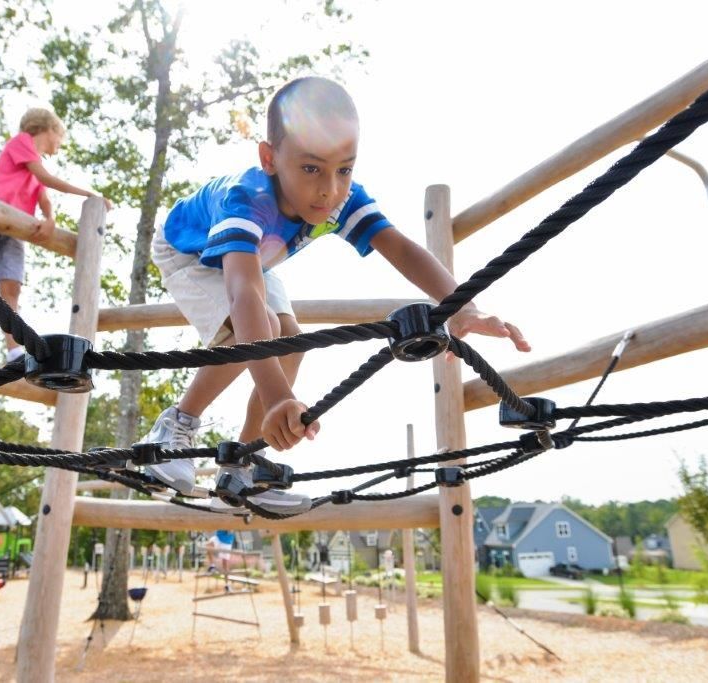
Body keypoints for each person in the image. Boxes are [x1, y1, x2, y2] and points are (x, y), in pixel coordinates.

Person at [139, 77, 530, 515]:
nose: (329, 189)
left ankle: (242, 463)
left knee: (291, 340)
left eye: (344, 169)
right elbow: (243, 293)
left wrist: (463, 308)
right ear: (269, 158)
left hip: (253, 259)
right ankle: (177, 424)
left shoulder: (341, 201)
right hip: (189, 252)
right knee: (255, 327)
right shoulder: (246, 199)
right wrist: (277, 398)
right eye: (311, 169)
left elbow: (401, 248)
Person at [0, 107, 111, 361]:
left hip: (16, 226)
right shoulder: (22, 142)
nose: (60, 143)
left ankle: (14, 350)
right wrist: (90, 195)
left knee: (11, 286)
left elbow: (44, 198)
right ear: (49, 129)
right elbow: (47, 178)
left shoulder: (35, 167)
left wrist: (50, 219)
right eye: (60, 136)